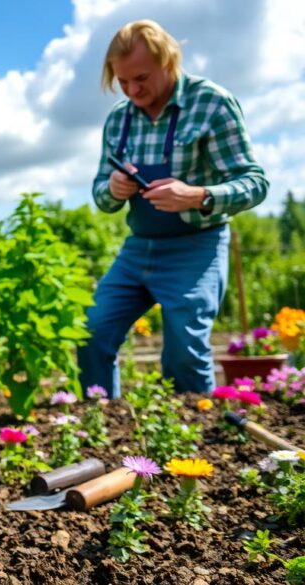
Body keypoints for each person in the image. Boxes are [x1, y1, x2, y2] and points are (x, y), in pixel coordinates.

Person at [78, 20, 268, 398]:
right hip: (140, 246)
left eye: (142, 78)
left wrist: (197, 195)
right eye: (122, 82)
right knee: (92, 331)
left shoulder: (211, 103)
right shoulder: (120, 119)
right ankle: (97, 427)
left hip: (197, 244)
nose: (132, 90)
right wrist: (113, 189)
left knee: (184, 348)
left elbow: (255, 182)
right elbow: (101, 195)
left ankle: (195, 440)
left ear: (169, 61)